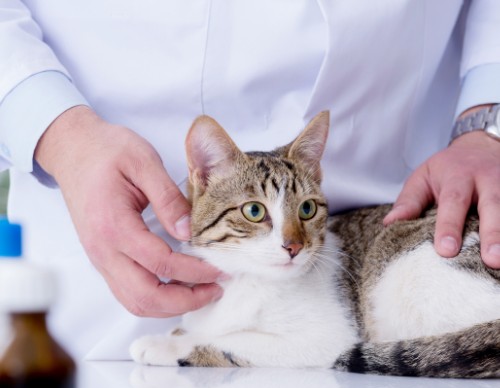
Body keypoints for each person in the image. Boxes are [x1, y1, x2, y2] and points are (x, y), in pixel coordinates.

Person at [1, 1, 500, 360]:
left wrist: (488, 123)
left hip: (396, 204)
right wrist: (63, 137)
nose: (288, 242)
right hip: (112, 264)